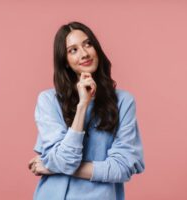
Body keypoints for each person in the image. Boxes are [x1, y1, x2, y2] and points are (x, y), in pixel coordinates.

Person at [28, 21, 145, 200]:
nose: (83, 54)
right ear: (65, 61)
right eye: (72, 50)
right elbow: (65, 160)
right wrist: (82, 105)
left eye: (87, 44)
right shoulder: (49, 101)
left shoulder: (123, 102)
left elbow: (122, 168)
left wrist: (52, 166)